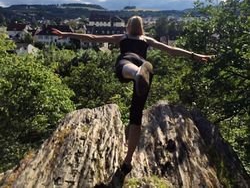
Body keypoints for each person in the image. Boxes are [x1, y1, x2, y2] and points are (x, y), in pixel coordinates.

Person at [52, 16, 213, 177]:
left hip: (129, 61)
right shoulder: (146, 39)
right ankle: (128, 161)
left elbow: (93, 38)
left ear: (128, 26)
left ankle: (136, 74)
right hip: (144, 64)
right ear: (141, 27)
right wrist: (195, 55)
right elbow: (170, 50)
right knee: (135, 115)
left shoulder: (123, 37)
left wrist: (67, 34)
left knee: (124, 67)